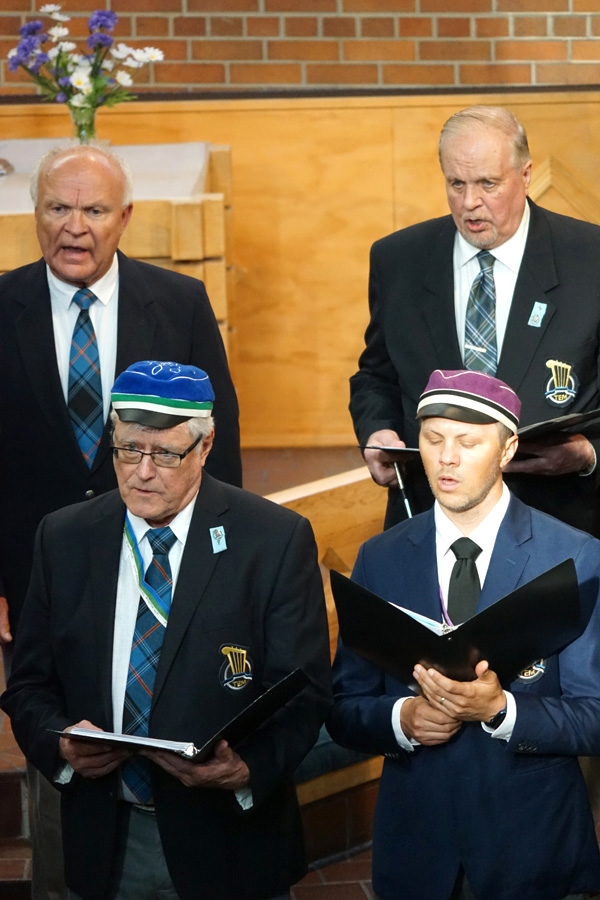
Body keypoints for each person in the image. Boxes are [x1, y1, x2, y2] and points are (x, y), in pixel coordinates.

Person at [0, 144, 242, 900]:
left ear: (125, 217)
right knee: (60, 748)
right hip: (35, 581)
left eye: (94, 210)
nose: (74, 226)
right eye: (57, 207)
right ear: (34, 213)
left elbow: (222, 449)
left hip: (165, 569)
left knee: (169, 726)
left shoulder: (179, 303)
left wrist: (222, 573)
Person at [1, 360, 331, 900]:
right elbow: (29, 684)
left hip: (227, 841)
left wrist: (246, 767)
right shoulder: (63, 538)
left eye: (166, 455)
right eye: (128, 450)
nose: (142, 472)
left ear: (205, 446)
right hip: (106, 837)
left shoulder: (273, 539)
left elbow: (306, 691)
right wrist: (60, 742)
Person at [329, 368, 600, 900]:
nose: (446, 458)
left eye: (468, 443)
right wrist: (402, 719)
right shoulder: (381, 557)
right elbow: (343, 707)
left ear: (507, 450)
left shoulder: (573, 555)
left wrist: (502, 711)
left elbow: (594, 714)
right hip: (417, 848)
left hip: (530, 847)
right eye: (433, 440)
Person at [351, 105, 600, 534]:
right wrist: (378, 431)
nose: (469, 203)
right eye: (456, 183)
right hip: (430, 523)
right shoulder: (399, 260)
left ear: (525, 175)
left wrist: (589, 453)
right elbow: (376, 376)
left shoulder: (589, 259)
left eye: (488, 183)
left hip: (557, 524)